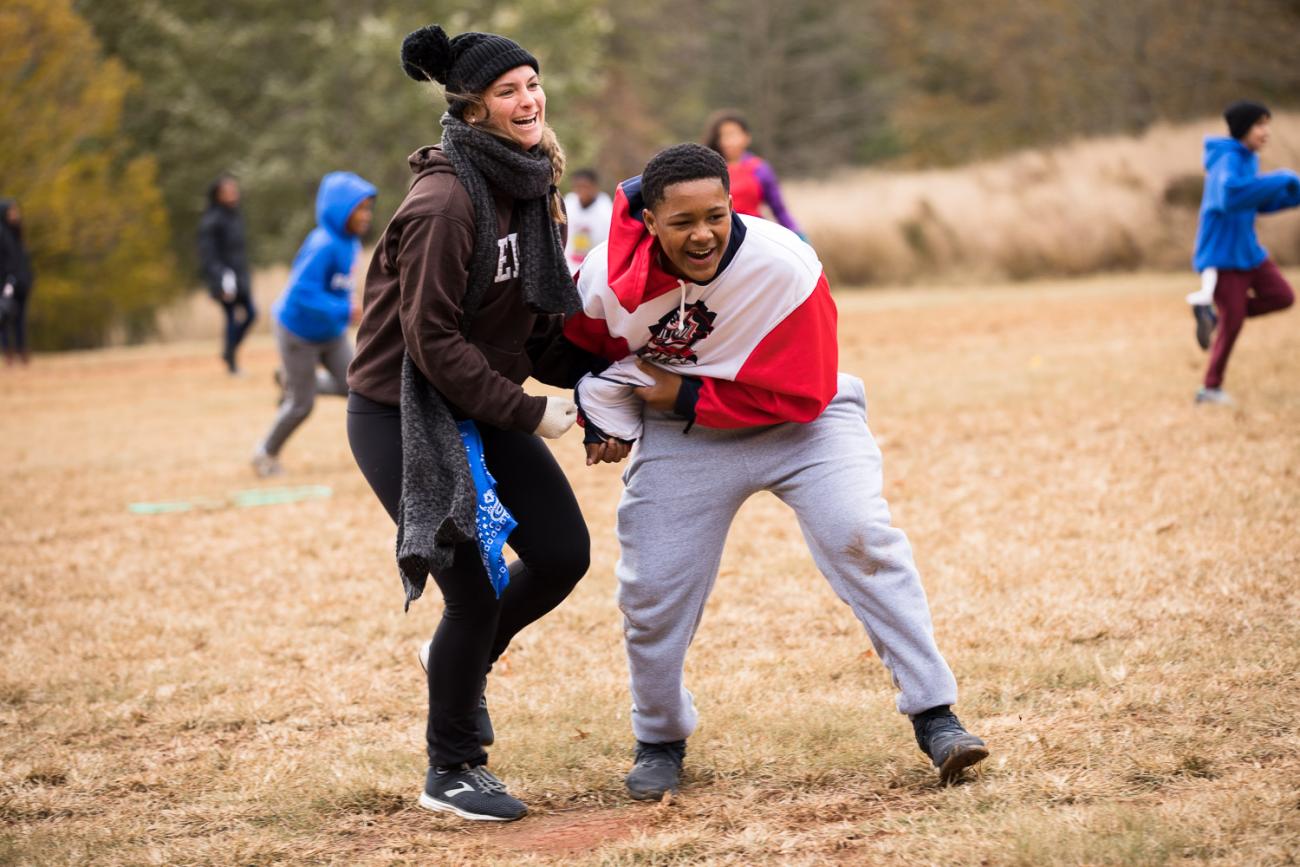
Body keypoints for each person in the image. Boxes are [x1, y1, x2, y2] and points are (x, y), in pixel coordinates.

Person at [565, 143, 988, 801]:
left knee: (861, 535)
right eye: (683, 222)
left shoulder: (784, 266)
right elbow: (580, 355)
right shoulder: (604, 278)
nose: (704, 234)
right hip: (689, 440)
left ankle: (937, 716)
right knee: (651, 587)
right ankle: (659, 737)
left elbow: (807, 390)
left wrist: (673, 393)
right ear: (650, 222)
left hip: (806, 424)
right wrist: (604, 414)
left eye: (717, 215)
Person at [345, 25, 617, 823]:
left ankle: (455, 665)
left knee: (562, 553)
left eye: (533, 83)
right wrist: (535, 413)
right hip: (404, 410)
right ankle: (452, 767)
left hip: (482, 394)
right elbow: (430, 344)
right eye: (508, 91)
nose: (528, 100)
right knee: (472, 586)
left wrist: (606, 381)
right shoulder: (444, 200)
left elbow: (533, 327)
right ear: (471, 109)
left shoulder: (533, 187)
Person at [251, 171, 377, 477]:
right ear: (339, 209)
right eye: (358, 209)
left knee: (359, 387)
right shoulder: (323, 244)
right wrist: (343, 310)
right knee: (301, 405)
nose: (366, 216)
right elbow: (302, 293)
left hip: (330, 333)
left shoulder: (350, 243)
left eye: (368, 208)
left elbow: (339, 286)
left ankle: (292, 380)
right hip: (298, 331)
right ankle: (264, 453)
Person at [1189, 100, 1299, 405]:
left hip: (1249, 252)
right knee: (1234, 320)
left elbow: (1253, 200)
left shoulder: (1247, 158)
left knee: (1283, 297)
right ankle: (1210, 389)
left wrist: (1290, 196)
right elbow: (1231, 197)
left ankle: (1213, 315)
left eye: (1268, 124)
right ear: (1243, 129)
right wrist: (1283, 177)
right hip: (1222, 255)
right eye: (1260, 125)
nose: (1266, 132)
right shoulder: (1227, 159)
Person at [703, 110, 803, 236]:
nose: (728, 141)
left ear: (746, 137)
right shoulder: (708, 169)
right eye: (723, 136)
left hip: (754, 234)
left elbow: (779, 209)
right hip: (720, 235)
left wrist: (799, 236)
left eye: (733, 135)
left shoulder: (760, 168)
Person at [197, 174, 256, 375]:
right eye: (228, 191)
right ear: (218, 195)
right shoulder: (211, 221)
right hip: (224, 279)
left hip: (240, 276)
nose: (233, 193)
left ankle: (228, 352)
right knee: (231, 317)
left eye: (234, 189)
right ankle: (231, 362)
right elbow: (209, 255)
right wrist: (220, 279)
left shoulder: (235, 216)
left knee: (251, 314)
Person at [0, 199, 33, 366]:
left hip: (21, 283)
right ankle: (8, 352)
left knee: (20, 318)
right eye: (12, 211)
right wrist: (6, 280)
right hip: (6, 284)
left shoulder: (17, 233)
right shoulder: (2, 234)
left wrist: (27, 279)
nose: (15, 214)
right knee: (4, 316)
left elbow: (23, 260)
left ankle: (21, 350)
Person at [563, 168, 613, 274]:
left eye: (585, 187)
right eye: (577, 187)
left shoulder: (606, 209)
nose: (581, 191)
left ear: (594, 187)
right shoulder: (568, 203)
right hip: (569, 264)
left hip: (595, 267)